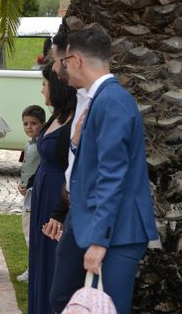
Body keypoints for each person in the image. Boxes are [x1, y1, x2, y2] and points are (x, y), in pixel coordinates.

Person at [49, 27, 158, 314]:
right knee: (64, 299)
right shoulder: (99, 99)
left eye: (64, 60)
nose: (61, 66)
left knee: (107, 308)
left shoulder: (111, 101)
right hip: (89, 223)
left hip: (117, 232)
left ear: (76, 60)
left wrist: (100, 241)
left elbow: (113, 177)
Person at [28, 65, 76, 314]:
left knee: (55, 257)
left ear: (56, 86)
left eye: (45, 83)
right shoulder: (57, 115)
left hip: (58, 195)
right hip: (42, 191)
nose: (42, 88)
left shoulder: (74, 119)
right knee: (40, 255)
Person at [16, 104, 46, 283]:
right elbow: (27, 167)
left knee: (30, 230)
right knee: (27, 228)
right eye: (25, 124)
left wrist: (30, 185)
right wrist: (22, 184)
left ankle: (34, 268)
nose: (29, 127)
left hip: (36, 193)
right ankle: (34, 265)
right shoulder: (29, 144)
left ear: (42, 123)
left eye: (33, 123)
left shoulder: (43, 145)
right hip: (27, 193)